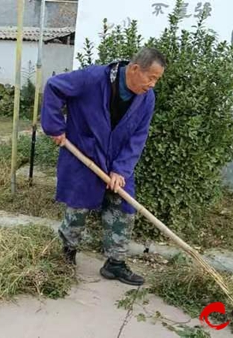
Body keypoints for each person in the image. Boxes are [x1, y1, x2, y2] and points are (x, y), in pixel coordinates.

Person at [41, 47, 166, 286]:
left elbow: (138, 136)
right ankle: (66, 255)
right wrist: (55, 126)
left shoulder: (146, 98)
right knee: (78, 208)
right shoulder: (93, 79)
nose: (152, 85)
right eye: (151, 78)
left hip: (118, 160)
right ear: (135, 69)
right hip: (84, 154)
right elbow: (54, 86)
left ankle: (115, 264)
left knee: (124, 208)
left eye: (157, 80)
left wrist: (121, 169)